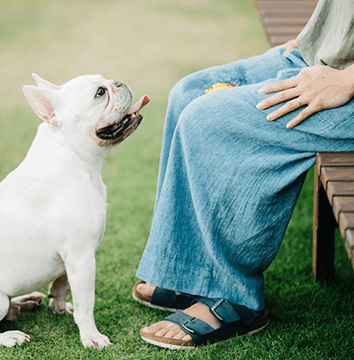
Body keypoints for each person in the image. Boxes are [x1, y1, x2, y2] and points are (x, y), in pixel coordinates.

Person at [133, 0, 354, 350]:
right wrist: (318, 36)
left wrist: (347, 79)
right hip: (325, 55)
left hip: (347, 80)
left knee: (207, 120)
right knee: (187, 93)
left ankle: (235, 299)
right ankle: (191, 272)